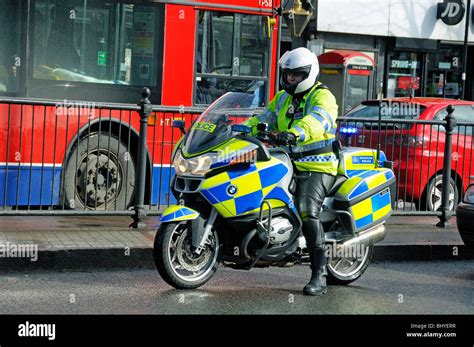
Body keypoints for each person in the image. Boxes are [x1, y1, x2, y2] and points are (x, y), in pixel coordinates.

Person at [245, 47, 338, 296]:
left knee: (308, 210)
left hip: (317, 164)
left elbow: (318, 121)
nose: (289, 80)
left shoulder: (323, 97)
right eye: (286, 75)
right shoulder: (282, 98)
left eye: (295, 76)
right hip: (287, 160)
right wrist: (244, 129)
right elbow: (265, 118)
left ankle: (320, 273)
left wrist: (295, 133)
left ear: (308, 74)